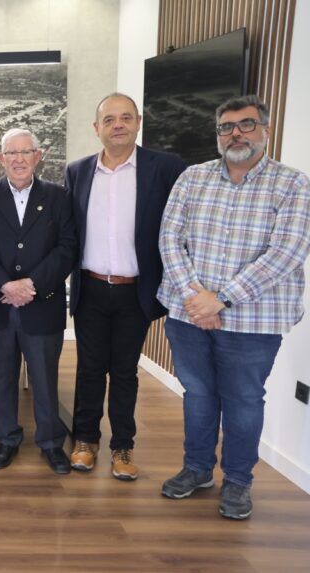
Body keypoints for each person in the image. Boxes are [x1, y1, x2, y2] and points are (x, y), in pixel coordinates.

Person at [158, 95, 310, 520]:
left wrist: (221, 299)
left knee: (243, 401)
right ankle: (197, 469)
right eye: (226, 127)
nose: (235, 134)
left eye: (246, 124)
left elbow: (287, 252)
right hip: (188, 314)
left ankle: (238, 482)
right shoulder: (192, 178)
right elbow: (169, 239)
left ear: (265, 129)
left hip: (254, 320)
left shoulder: (292, 184)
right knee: (198, 395)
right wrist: (196, 297)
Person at [65, 92, 186, 480]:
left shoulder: (165, 168)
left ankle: (122, 447)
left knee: (124, 372)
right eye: (109, 119)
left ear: (138, 123)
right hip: (90, 288)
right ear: (96, 128)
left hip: (136, 291)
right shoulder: (77, 172)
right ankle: (85, 440)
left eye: (125, 117)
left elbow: (180, 227)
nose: (117, 125)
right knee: (88, 370)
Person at [0, 128, 77, 473]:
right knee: (1, 378)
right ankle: (6, 439)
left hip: (41, 302)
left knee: (45, 379)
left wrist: (32, 284)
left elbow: (68, 247)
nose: (18, 159)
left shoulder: (59, 196)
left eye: (25, 152)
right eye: (11, 153)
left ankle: (51, 443)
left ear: (37, 156)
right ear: (1, 158)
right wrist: (5, 284)